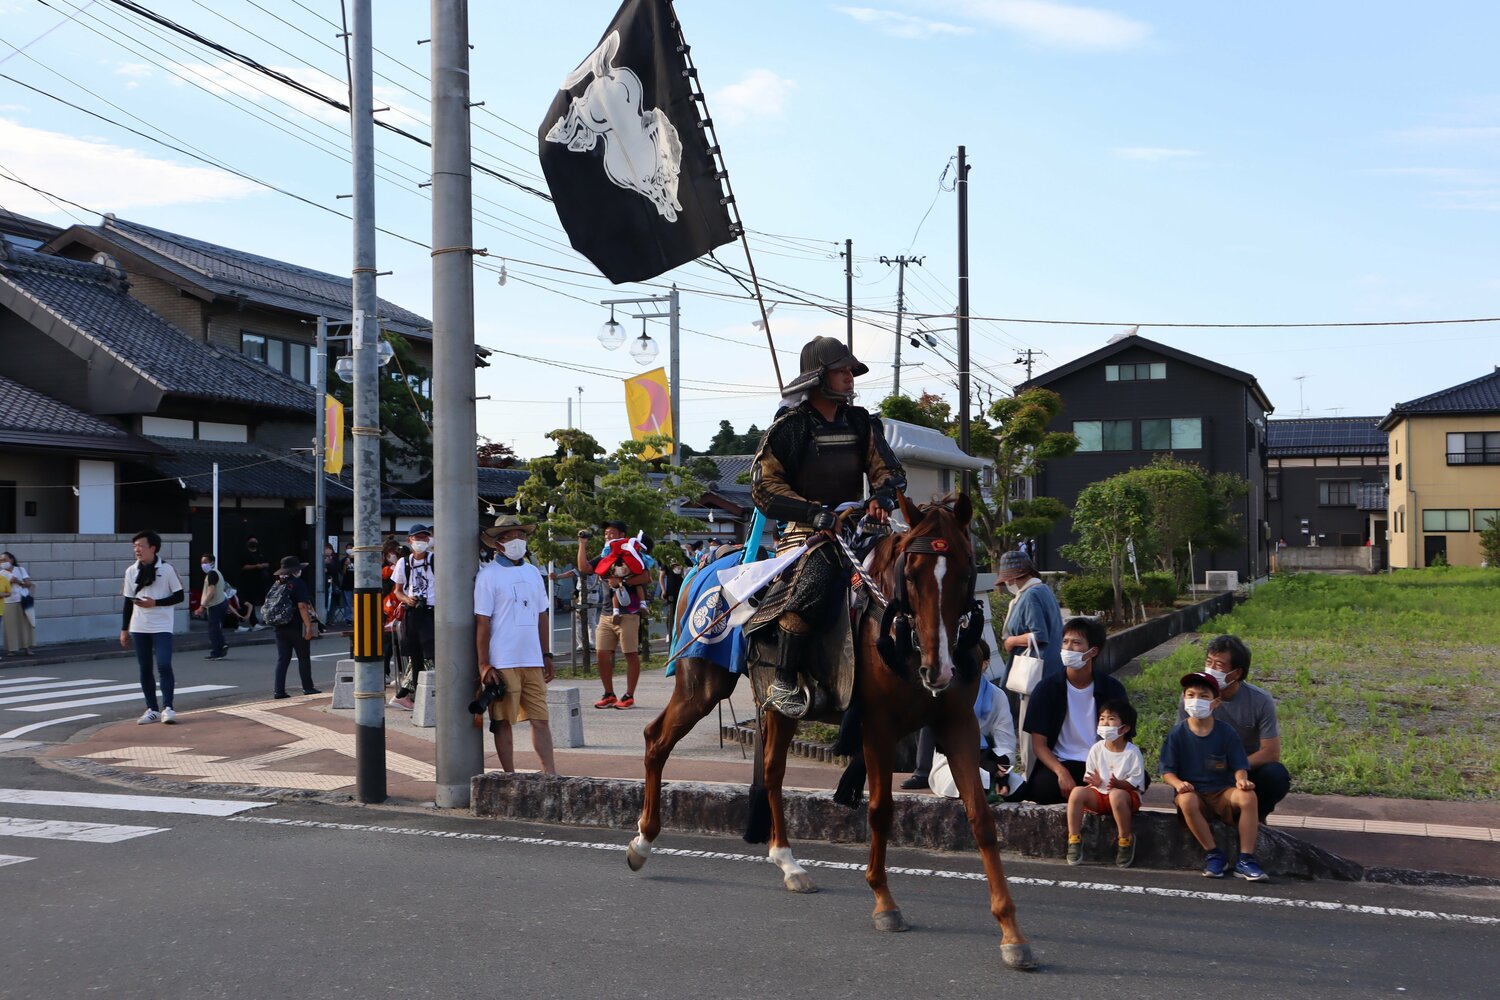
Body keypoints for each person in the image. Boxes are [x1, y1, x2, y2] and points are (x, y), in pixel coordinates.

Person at [749, 335, 906, 718]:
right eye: (841, 371)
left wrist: (882, 498)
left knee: (907, 565)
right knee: (817, 580)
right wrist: (813, 513)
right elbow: (764, 486)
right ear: (818, 377)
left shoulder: (861, 422)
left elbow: (889, 471)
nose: (850, 377)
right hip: (807, 533)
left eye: (851, 370)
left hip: (858, 526)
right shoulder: (791, 427)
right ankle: (783, 680)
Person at [1162, 671, 1268, 881]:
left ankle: (1246, 859)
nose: (1196, 700)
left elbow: (1239, 764)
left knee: (1248, 797)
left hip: (1222, 792)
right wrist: (1179, 784)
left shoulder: (1226, 732)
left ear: (1216, 702)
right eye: (1191, 695)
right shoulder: (1177, 734)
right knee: (1186, 800)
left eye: (1203, 696)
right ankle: (1213, 854)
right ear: (1184, 699)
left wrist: (1241, 779)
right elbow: (1167, 771)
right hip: (1193, 792)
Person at [475, 515, 557, 774]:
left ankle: (550, 774)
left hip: (532, 658)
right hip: (502, 659)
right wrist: (484, 664)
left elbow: (542, 615)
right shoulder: (488, 575)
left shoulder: (533, 572)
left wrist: (546, 654)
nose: (516, 541)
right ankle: (509, 775)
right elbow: (482, 622)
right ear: (498, 543)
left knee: (540, 718)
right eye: (509, 537)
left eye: (520, 535)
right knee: (502, 721)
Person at [1016, 616, 1127, 804]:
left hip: (1101, 761)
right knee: (1043, 789)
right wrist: (1061, 772)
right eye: (1065, 642)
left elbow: (1123, 737)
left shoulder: (1112, 689)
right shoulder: (1046, 689)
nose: (1068, 648)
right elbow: (1039, 745)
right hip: (1061, 761)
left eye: (1076, 643)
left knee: (1138, 779)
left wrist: (1107, 770)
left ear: (1093, 651)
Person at [1178, 634, 1290, 820]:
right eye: (1209, 662)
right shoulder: (1192, 698)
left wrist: (1233, 766)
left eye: (1219, 665)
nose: (1211, 669)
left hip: (1244, 767)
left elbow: (1271, 752)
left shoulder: (1260, 701)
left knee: (1275, 775)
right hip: (1203, 766)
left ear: (1237, 673)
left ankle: (1256, 819)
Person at [577, 521, 653, 710]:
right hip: (606, 614)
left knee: (630, 654)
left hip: (629, 613)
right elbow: (584, 568)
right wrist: (582, 544)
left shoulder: (632, 553)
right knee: (602, 654)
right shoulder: (606, 555)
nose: (608, 536)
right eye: (605, 533)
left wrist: (622, 581)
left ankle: (629, 696)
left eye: (611, 533)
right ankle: (609, 694)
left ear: (622, 534)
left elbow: (646, 577)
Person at [1065, 698, 1145, 868]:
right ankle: (1074, 839)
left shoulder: (1132, 752)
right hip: (1100, 796)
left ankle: (1125, 839)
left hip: (1124, 798)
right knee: (1077, 792)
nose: (1105, 723)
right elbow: (1090, 776)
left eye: (1111, 718)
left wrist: (1119, 784)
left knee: (1116, 795)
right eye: (1102, 718)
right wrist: (1095, 781)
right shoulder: (1097, 748)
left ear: (1125, 728)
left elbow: (1136, 783)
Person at [120, 531, 184, 725]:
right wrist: (124, 629)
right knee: (145, 667)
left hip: (162, 625)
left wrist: (155, 603)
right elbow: (128, 602)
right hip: (139, 626)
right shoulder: (131, 571)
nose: (137, 550)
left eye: (140, 546)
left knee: (164, 664)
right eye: (134, 546)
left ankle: (168, 707)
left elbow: (179, 596)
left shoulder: (167, 569)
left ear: (153, 548)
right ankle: (152, 709)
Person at [389, 524, 437, 710]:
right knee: (416, 657)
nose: (421, 542)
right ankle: (416, 697)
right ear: (410, 540)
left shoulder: (435, 560)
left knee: (431, 655)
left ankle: (411, 695)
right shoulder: (404, 563)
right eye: (418, 538)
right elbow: (397, 591)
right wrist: (407, 599)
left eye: (425, 538)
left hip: (431, 612)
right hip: (412, 613)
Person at [264, 556, 320, 699]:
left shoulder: (278, 584)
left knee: (283, 659)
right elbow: (302, 606)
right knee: (303, 657)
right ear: (295, 571)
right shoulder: (297, 583)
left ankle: (279, 691)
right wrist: (308, 626)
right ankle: (308, 687)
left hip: (279, 627)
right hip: (296, 626)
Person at [193, 553, 231, 659]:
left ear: (212, 562)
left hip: (215, 604)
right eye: (202, 562)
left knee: (213, 629)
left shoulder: (211, 575)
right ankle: (222, 645)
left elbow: (211, 591)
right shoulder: (218, 573)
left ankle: (217, 652)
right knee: (216, 628)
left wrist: (202, 606)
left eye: (206, 562)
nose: (203, 565)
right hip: (221, 602)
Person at [0, 551, 36, 656]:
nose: (2, 562)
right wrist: (9, 582)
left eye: (4, 560)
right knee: (10, 625)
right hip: (8, 601)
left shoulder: (20, 569)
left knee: (25, 624)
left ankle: (27, 648)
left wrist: (18, 581)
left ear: (11, 560)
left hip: (22, 599)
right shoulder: (1, 574)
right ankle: (11, 649)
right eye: (1, 560)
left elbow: (28, 584)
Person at [239, 536, 272, 629]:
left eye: (255, 541)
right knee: (251, 601)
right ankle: (253, 621)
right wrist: (256, 566)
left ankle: (267, 618)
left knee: (265, 600)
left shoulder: (261, 553)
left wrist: (263, 565)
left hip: (262, 581)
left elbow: (268, 563)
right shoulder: (245, 554)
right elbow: (243, 567)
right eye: (252, 541)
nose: (254, 543)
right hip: (249, 581)